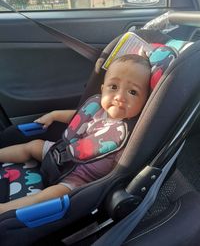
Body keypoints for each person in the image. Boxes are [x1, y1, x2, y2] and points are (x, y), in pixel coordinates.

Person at [0, 54, 151, 213]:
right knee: (33, 146)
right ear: (103, 88)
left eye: (133, 92)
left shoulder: (129, 134)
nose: (120, 97)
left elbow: (119, 170)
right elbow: (77, 116)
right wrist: (54, 115)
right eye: (113, 87)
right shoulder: (97, 108)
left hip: (80, 179)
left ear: (145, 101)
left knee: (52, 195)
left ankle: (5, 209)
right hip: (61, 154)